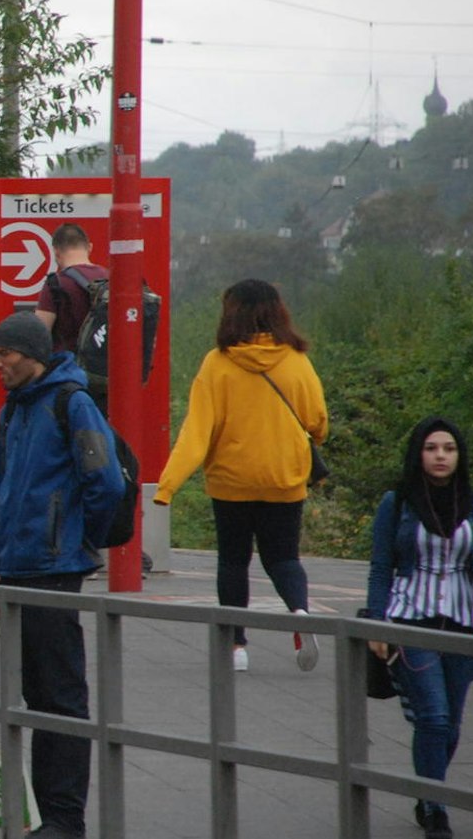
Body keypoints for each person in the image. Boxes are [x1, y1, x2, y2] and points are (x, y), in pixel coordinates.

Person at [0, 310, 126, 839]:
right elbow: (0, 495)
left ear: (33, 354)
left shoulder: (72, 403)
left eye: (6, 353)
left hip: (54, 570)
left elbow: (105, 482)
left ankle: (65, 819)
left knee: (60, 697)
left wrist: (77, 539)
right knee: (35, 697)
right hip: (17, 571)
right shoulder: (13, 410)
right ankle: (46, 816)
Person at [152, 278, 327, 673]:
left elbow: (196, 433)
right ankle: (300, 613)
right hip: (284, 478)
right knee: (283, 557)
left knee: (233, 561)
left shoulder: (218, 364)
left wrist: (167, 487)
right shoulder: (297, 361)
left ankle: (236, 647)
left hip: (231, 482)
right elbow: (318, 422)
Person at [364, 417, 473, 839]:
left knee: (451, 726)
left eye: (449, 448)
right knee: (432, 717)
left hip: (465, 624)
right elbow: (381, 568)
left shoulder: (472, 504)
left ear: (459, 455)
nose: (441, 456)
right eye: (432, 448)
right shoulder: (397, 503)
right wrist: (376, 622)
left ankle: (424, 790)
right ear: (419, 454)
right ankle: (435, 808)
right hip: (412, 618)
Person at [34, 223, 107, 356]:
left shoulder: (56, 283)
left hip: (69, 369)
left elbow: (39, 335)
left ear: (56, 251)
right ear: (90, 247)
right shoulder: (111, 279)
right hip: (105, 369)